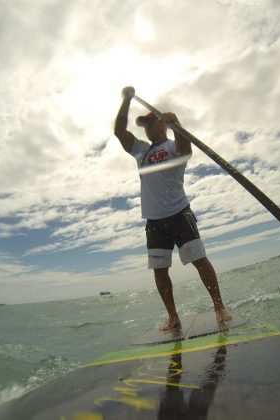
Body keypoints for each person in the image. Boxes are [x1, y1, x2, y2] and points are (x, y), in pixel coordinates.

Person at [114, 86, 232, 331]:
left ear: (162, 125)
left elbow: (186, 149)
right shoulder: (140, 151)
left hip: (180, 213)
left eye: (150, 122)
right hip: (154, 221)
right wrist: (126, 100)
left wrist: (176, 123)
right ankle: (173, 316)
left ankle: (219, 306)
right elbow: (118, 131)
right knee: (159, 270)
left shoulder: (173, 146)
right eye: (144, 124)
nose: (146, 127)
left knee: (200, 260)